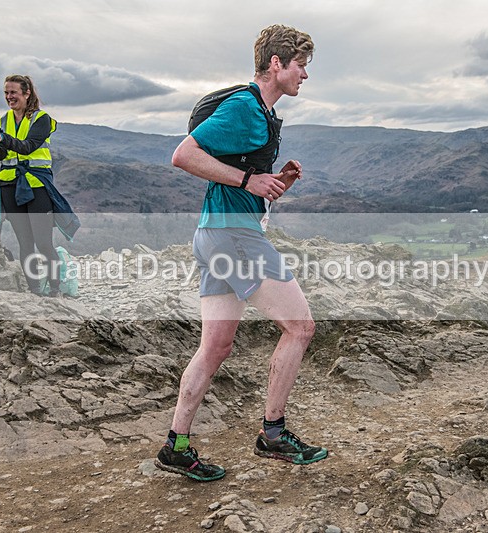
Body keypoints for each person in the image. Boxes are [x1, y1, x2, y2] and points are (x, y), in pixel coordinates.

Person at [155, 24, 325, 482]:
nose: (305, 75)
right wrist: (250, 181)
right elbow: (183, 155)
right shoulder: (246, 108)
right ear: (277, 64)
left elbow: (234, 174)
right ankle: (273, 432)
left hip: (217, 232)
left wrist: (272, 184)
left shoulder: (260, 114)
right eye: (301, 65)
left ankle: (178, 446)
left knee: (215, 346)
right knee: (301, 327)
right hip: (233, 237)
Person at [0, 74, 79, 296]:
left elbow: (27, 147)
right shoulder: (2, 121)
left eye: (13, 92)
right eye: (6, 93)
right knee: (25, 243)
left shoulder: (41, 119)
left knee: (43, 243)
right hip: (9, 186)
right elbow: (2, 155)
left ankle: (54, 289)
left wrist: (3, 139)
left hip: (35, 186)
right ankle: (34, 290)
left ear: (27, 93)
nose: (9, 97)